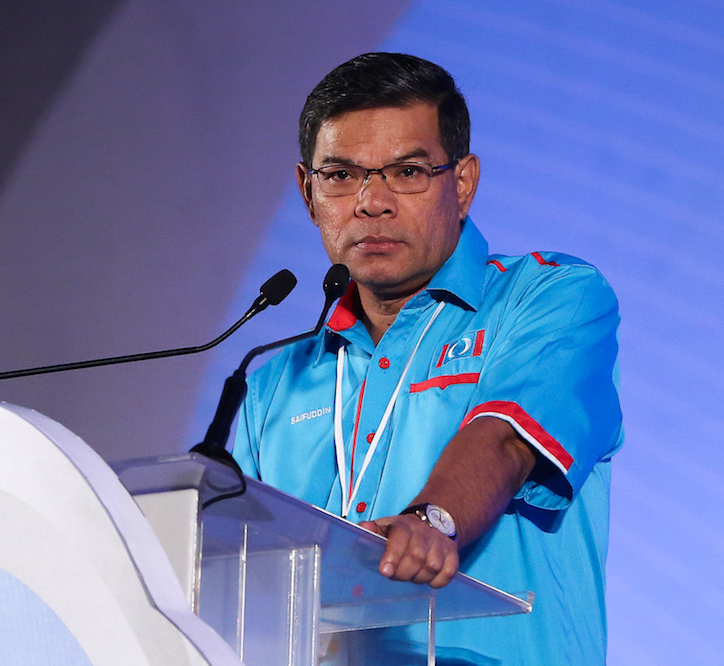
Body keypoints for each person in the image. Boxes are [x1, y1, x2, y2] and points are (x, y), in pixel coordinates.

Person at [231, 52, 622, 664]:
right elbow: (232, 570)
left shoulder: (550, 298)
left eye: (407, 172)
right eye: (341, 175)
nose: (371, 202)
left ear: (461, 183)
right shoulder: (272, 386)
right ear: (308, 192)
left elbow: (505, 439)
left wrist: (432, 520)